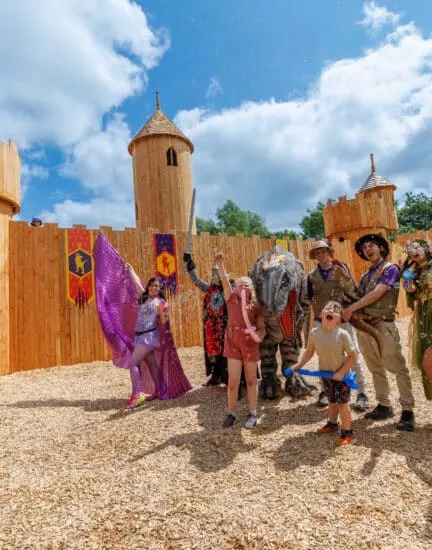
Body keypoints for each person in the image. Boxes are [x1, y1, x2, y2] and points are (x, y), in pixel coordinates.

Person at [93, 232, 191, 410]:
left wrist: (165, 313)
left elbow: (163, 320)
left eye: (158, 287)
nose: (155, 288)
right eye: (153, 286)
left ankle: (136, 394)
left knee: (133, 363)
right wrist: (130, 269)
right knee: (151, 363)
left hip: (148, 337)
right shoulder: (144, 297)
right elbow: (137, 282)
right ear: (149, 287)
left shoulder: (159, 302)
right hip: (141, 337)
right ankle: (160, 390)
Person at [343, 234, 415, 431]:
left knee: (397, 367)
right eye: (364, 248)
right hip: (364, 326)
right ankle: (384, 405)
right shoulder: (365, 276)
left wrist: (351, 308)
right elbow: (359, 295)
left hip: (383, 325)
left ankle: (407, 410)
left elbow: (379, 292)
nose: (367, 249)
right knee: (375, 367)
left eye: (371, 245)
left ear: (381, 248)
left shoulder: (390, 269)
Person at [307, 240, 369, 410]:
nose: (320, 255)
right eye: (317, 253)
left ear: (329, 252)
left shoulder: (341, 268)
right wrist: (318, 317)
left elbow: (352, 288)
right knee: (323, 357)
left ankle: (362, 393)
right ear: (314, 256)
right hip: (321, 321)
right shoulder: (311, 276)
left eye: (323, 251)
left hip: (342, 321)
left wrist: (343, 272)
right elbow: (310, 298)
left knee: (352, 354)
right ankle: (325, 391)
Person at [292, 301, 357, 446]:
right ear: (321, 314)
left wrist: (341, 372)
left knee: (342, 404)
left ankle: (348, 433)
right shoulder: (314, 333)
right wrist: (299, 365)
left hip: (342, 376)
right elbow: (310, 351)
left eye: (335, 311)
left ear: (339, 319)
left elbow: (352, 357)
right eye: (327, 308)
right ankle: (332, 424)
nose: (331, 311)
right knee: (332, 401)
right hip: (326, 374)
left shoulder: (342, 334)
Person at [217, 252, 265, 429]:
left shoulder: (255, 306)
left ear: (251, 288)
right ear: (235, 288)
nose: (243, 286)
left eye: (246, 284)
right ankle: (232, 413)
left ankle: (252, 413)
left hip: (249, 343)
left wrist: (260, 335)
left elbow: (262, 327)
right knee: (233, 382)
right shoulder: (232, 299)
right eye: (240, 284)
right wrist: (220, 264)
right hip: (233, 343)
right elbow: (224, 280)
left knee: (251, 379)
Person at [183, 250, 229, 386]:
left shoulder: (227, 289)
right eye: (213, 274)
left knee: (225, 351)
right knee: (212, 351)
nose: (215, 277)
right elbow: (196, 280)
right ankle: (215, 375)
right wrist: (190, 266)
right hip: (211, 326)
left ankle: (226, 376)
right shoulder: (208, 288)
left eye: (217, 274)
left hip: (224, 325)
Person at [402, 239, 432, 400]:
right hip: (424, 315)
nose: (413, 251)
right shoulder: (413, 271)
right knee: (427, 359)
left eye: (416, 247)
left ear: (425, 248)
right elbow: (411, 290)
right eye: (409, 251)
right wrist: (408, 277)